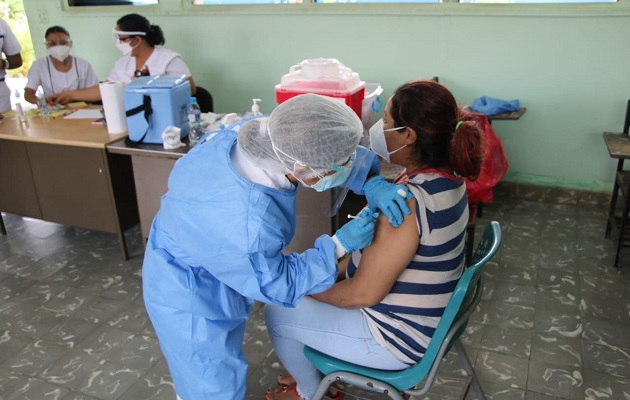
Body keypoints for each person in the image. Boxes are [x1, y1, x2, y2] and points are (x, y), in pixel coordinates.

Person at [142, 93, 413, 400]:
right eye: (343, 164)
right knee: (208, 378)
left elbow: (322, 150)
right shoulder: (247, 224)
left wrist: (368, 178)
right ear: (301, 168)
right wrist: (339, 245)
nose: (348, 165)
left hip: (208, 245)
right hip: (186, 287)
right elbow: (279, 283)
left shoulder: (258, 134)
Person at [263, 80, 487, 400]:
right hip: (428, 322)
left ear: (409, 135)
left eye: (388, 123)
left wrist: (309, 289)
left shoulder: (408, 204)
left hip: (394, 340)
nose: (379, 129)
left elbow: (361, 294)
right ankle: (309, 367)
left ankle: (310, 391)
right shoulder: (447, 178)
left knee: (279, 308)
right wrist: (330, 270)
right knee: (303, 295)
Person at [49, 13, 195, 105]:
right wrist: (70, 95)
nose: (118, 43)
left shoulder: (168, 59)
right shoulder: (123, 63)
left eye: (122, 39)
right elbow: (105, 90)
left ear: (137, 39)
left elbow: (191, 90)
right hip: (131, 117)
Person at [23, 26, 99, 105]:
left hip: (82, 108)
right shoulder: (39, 65)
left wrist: (72, 97)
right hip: (54, 109)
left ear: (70, 43)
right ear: (47, 45)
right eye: (53, 43)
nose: (58, 46)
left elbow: (95, 91)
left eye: (63, 43)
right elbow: (29, 93)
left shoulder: (83, 65)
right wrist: (44, 102)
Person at [0, 17, 22, 113]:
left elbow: (17, 60)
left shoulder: (1, 25)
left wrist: (3, 64)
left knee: (5, 127)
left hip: (1, 93)